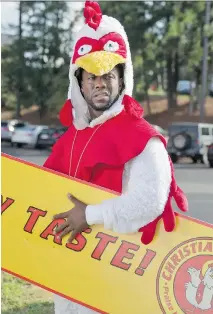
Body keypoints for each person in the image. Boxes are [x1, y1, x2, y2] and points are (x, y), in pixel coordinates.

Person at [43, 1, 188, 313]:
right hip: (69, 280)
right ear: (78, 82)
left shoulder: (143, 138)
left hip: (118, 282)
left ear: (122, 78)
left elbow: (148, 202)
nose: (100, 82)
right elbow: (41, 192)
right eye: (91, 75)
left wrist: (90, 216)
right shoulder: (68, 139)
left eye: (109, 73)